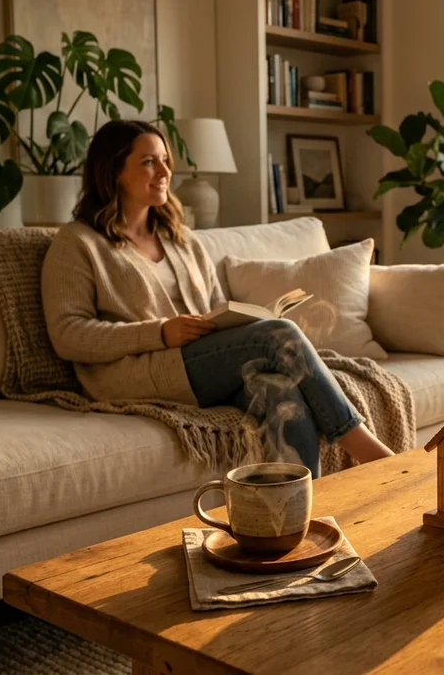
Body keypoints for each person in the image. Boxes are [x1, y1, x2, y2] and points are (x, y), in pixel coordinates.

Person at [40, 119, 393, 474]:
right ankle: (371, 453)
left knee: (282, 393)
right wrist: (159, 332)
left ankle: (300, 503)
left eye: (165, 160)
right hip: (133, 374)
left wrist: (232, 321)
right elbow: (68, 335)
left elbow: (215, 306)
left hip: (200, 365)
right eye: (148, 162)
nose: (164, 171)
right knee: (279, 334)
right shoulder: (78, 242)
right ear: (113, 171)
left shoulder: (181, 239)